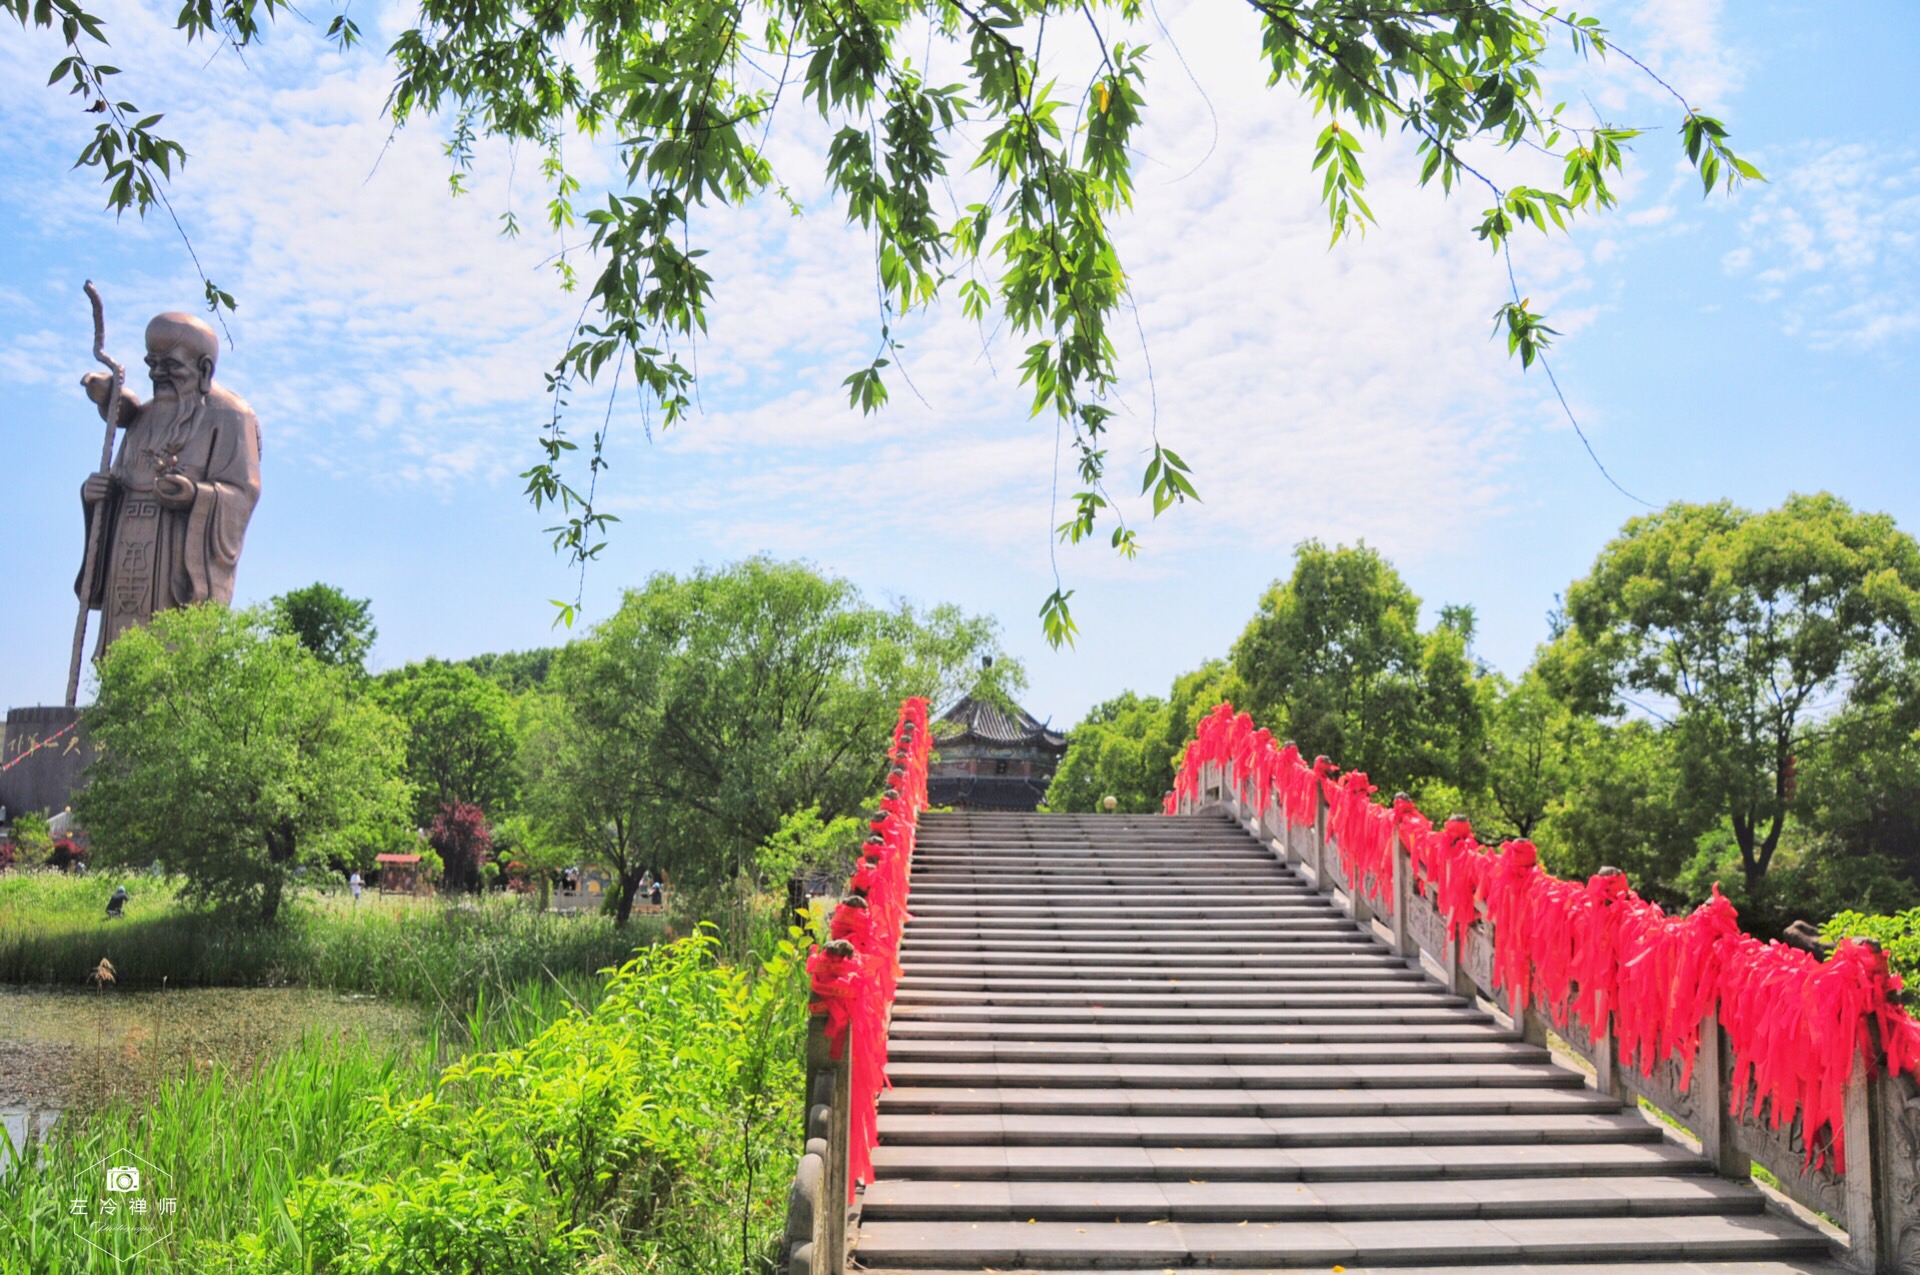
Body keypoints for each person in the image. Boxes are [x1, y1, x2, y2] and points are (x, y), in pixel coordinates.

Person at [77, 312, 263, 659]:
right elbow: (119, 479)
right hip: (130, 555)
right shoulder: (143, 417)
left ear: (204, 369)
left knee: (171, 662)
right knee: (124, 659)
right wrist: (98, 495)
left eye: (170, 365)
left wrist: (196, 495)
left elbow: (244, 490)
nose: (157, 374)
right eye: (152, 364)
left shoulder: (231, 415)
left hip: (178, 565)